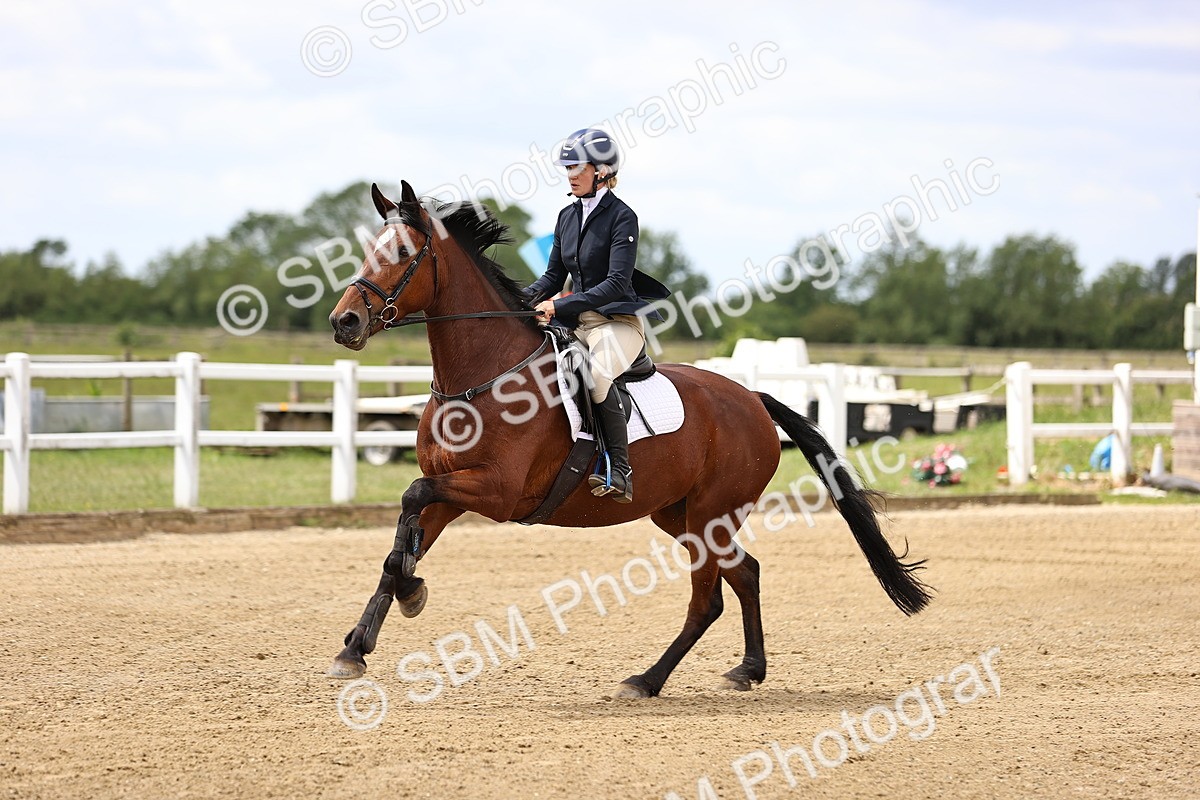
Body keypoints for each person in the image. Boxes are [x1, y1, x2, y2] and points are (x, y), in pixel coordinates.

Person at [524, 128, 670, 504]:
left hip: (616, 323)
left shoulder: (622, 217)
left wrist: (557, 306)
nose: (570, 174)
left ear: (602, 170)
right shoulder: (566, 216)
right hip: (576, 324)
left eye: (577, 166)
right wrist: (518, 301)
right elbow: (552, 277)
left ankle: (619, 469)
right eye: (567, 167)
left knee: (597, 374)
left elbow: (617, 284)